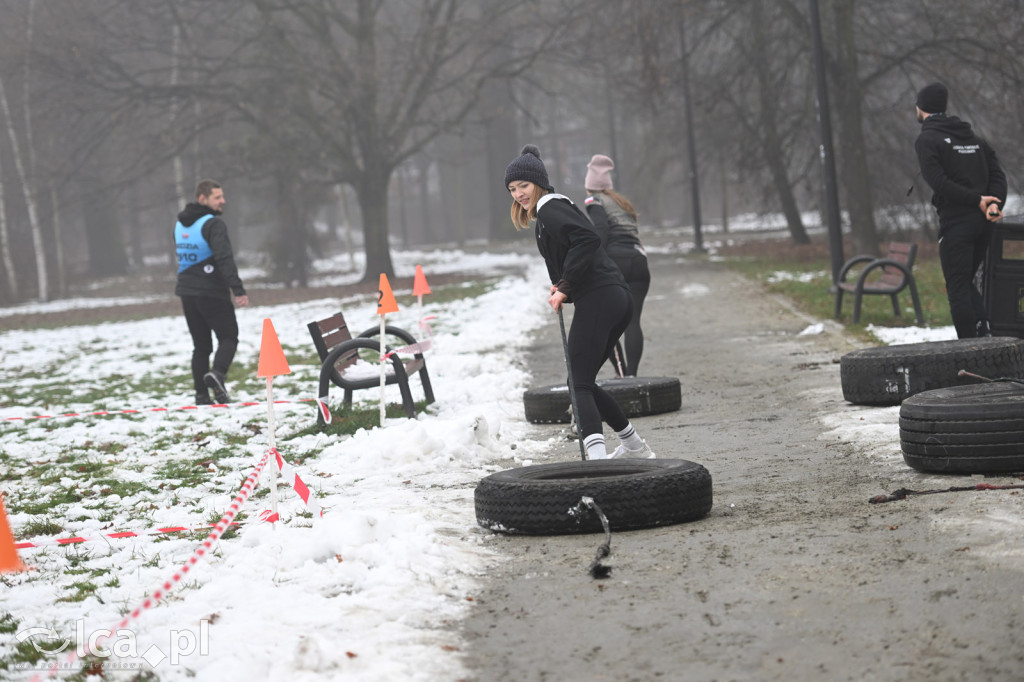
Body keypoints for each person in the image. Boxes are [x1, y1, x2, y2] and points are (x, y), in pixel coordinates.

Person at [505, 144, 653, 460]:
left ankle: (596, 461)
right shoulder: (549, 212)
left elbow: (588, 239)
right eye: (513, 189)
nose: (519, 194)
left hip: (601, 297)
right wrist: (563, 287)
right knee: (582, 380)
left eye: (524, 186)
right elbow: (579, 250)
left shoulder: (548, 206)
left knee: (579, 386)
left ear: (538, 183)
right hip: (614, 296)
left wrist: (566, 284)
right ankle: (633, 446)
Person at [914, 81, 1007, 339]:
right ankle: (985, 334)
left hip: (957, 224)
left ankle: (969, 351)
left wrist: (979, 200)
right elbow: (998, 175)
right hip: (983, 224)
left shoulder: (927, 139)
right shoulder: (974, 138)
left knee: (957, 288)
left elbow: (939, 182)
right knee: (964, 281)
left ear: (921, 108)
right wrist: (993, 202)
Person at [174, 179, 249, 404]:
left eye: (222, 196)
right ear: (203, 199)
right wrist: (238, 288)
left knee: (201, 346)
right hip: (211, 291)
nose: (222, 201)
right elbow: (224, 258)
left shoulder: (179, 224)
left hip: (187, 292)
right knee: (229, 337)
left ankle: (201, 395)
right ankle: (217, 374)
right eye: (217, 197)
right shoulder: (213, 224)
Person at [583, 154, 650, 377]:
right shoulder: (622, 203)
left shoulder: (594, 201)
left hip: (616, 263)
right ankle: (633, 375)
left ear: (590, 185)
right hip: (639, 262)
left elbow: (601, 230)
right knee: (633, 322)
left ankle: (622, 376)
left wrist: (592, 259)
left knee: (607, 324)